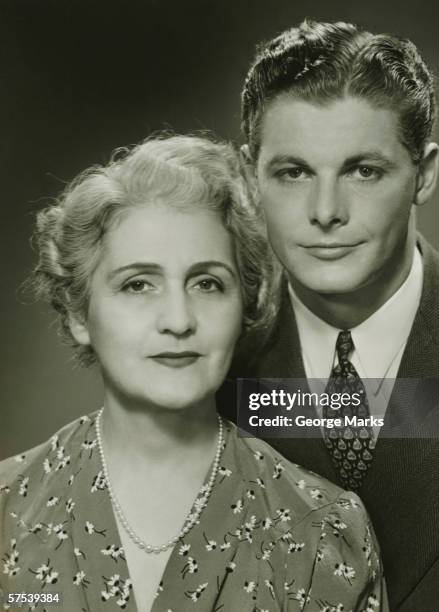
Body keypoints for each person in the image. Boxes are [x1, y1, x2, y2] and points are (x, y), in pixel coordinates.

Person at [0, 135, 387, 611]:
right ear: (80, 314)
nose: (179, 320)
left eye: (207, 283)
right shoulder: (8, 508)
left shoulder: (321, 530)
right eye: (138, 284)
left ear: (246, 303)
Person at [226, 19, 439, 612]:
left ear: (424, 175)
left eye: (363, 171)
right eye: (293, 173)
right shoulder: (205, 369)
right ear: (250, 177)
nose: (325, 212)